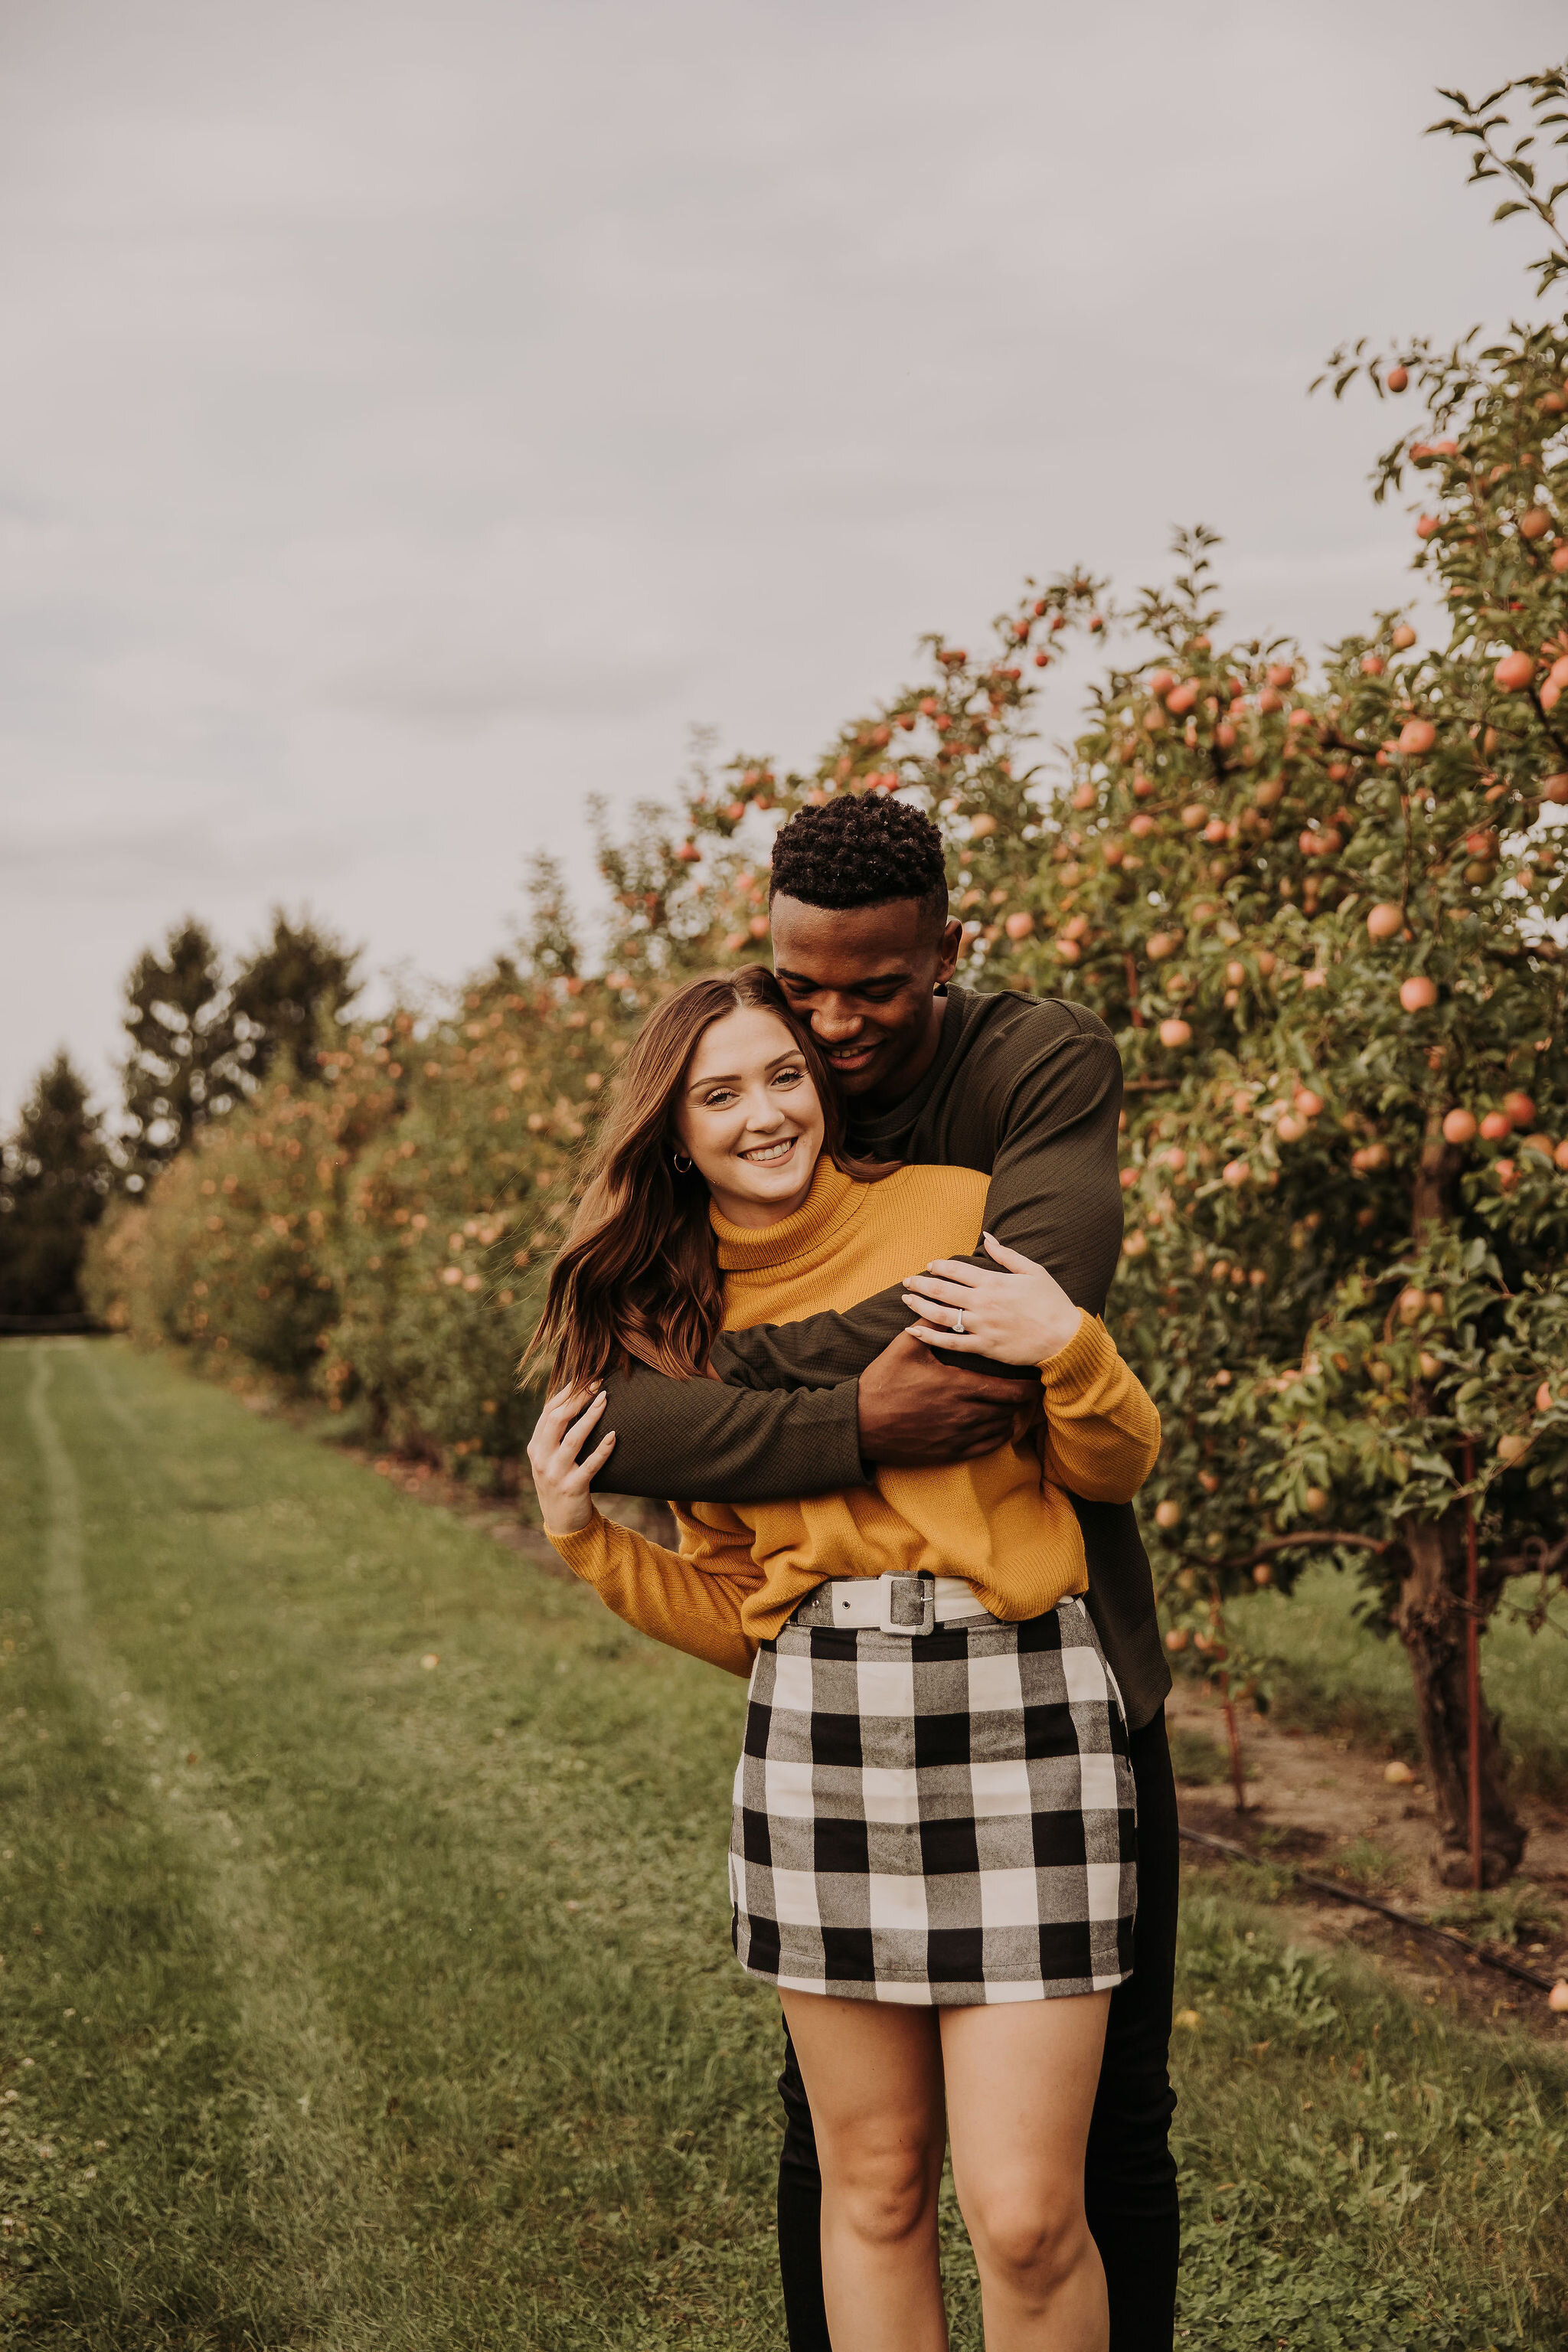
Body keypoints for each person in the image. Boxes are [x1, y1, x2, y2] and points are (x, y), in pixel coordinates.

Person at [576, 795, 1181, 2352]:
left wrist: (716, 1406)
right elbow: (720, 1581)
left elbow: (1052, 1393)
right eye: (785, 1019)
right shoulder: (667, 1290)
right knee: (864, 2173)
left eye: (851, 1012)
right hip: (821, 1725)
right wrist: (629, 1498)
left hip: (1031, 1691)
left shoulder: (976, 1161)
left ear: (945, 960)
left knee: (1047, 2201)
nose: (817, 1049)